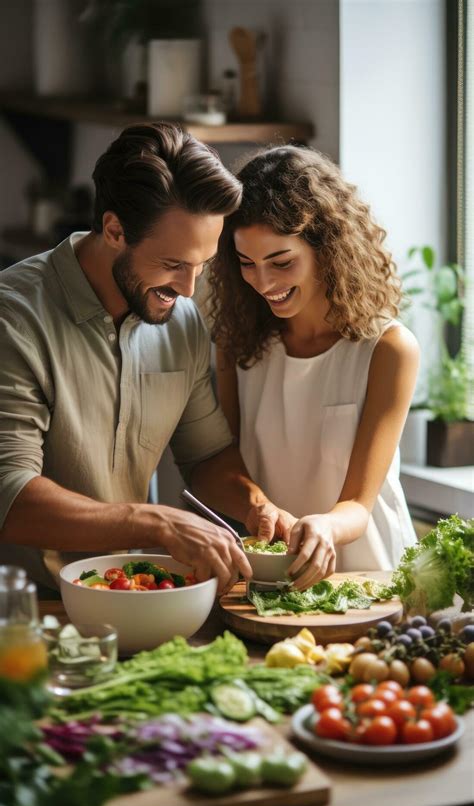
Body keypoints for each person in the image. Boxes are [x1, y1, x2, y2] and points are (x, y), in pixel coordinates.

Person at [0, 123, 294, 595]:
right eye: (174, 264)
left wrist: (256, 503)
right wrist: (154, 523)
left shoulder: (182, 320)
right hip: (26, 612)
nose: (189, 288)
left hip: (137, 599)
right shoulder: (12, 319)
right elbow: (9, 496)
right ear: (114, 230)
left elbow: (206, 455)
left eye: (202, 265)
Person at [208, 145, 420, 591]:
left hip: (372, 580)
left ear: (328, 247)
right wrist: (259, 507)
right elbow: (225, 464)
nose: (263, 283)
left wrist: (324, 526)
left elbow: (359, 506)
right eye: (247, 263)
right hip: (274, 580)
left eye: (282, 262)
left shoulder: (388, 349)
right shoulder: (239, 345)